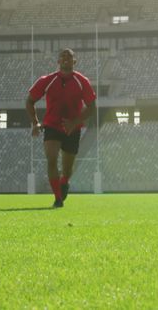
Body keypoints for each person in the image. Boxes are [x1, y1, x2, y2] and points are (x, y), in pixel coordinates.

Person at [26, 48, 96, 208]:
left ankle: (64, 182)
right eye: (62, 57)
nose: (66, 59)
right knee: (51, 159)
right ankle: (58, 199)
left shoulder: (82, 81)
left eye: (69, 57)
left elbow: (92, 107)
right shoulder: (47, 80)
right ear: (58, 61)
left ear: (74, 61)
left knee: (67, 168)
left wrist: (74, 122)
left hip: (73, 128)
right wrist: (35, 122)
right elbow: (29, 101)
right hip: (52, 125)